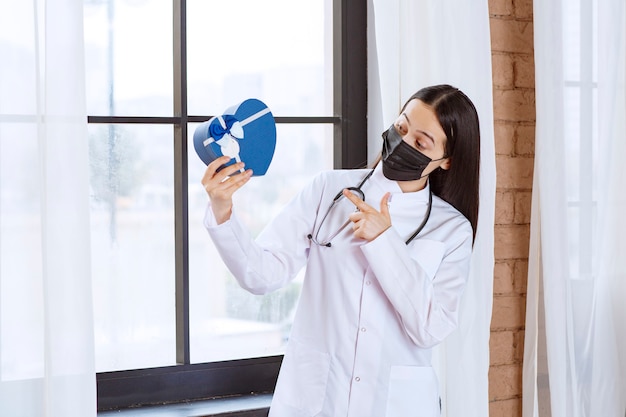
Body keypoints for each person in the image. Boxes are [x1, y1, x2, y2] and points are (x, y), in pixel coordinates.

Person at [201, 84, 481, 417]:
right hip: (317, 399)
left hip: (395, 405)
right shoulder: (328, 190)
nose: (403, 142)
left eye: (421, 142)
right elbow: (260, 274)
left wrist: (383, 241)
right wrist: (222, 208)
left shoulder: (452, 230)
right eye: (402, 127)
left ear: (446, 161)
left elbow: (430, 328)